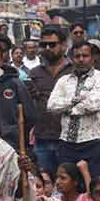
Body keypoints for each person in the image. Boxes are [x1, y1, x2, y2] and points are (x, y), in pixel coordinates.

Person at [47, 41, 100, 183]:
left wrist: (68, 108)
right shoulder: (64, 80)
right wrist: (76, 99)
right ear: (71, 58)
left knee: (96, 185)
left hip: (92, 141)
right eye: (77, 56)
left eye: (85, 55)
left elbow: (94, 104)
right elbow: (52, 106)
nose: (81, 59)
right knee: (67, 186)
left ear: (93, 57)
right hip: (66, 142)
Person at [29, 26, 72, 175]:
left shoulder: (74, 71)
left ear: (63, 45)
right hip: (42, 139)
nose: (47, 48)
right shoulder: (34, 73)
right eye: (44, 45)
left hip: (67, 139)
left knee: (68, 184)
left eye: (52, 44)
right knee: (44, 182)